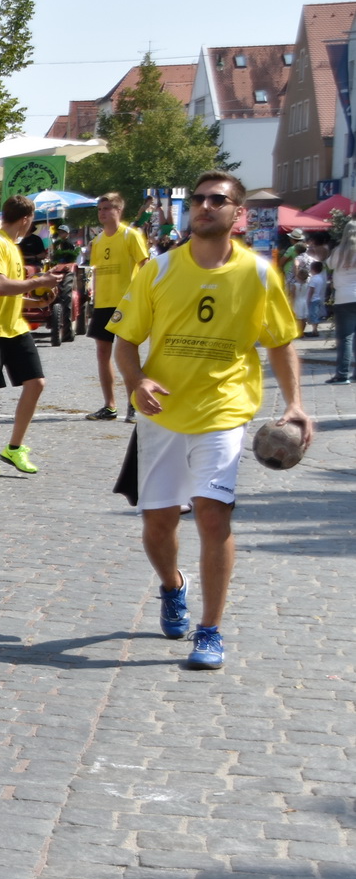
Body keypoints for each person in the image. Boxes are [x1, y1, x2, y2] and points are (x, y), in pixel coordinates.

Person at [111, 170, 314, 670]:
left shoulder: (259, 274)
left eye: (217, 200)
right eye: (198, 199)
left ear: (237, 214)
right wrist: (136, 381)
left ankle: (211, 630)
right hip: (161, 412)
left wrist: (295, 404)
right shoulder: (157, 270)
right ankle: (172, 586)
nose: (204, 206)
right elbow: (125, 340)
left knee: (212, 514)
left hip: (224, 411)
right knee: (158, 523)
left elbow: (281, 343)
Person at [0, 194, 60, 477]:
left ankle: (14, 447)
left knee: (36, 383)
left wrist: (37, 302)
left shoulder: (12, 247)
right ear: (25, 219)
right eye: (31, 221)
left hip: (14, 327)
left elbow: (11, 294)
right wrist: (38, 281)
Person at [85, 193, 149, 421]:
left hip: (125, 304)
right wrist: (90, 288)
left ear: (118, 210)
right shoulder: (98, 241)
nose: (102, 213)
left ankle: (134, 405)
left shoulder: (130, 236)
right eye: (100, 209)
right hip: (103, 304)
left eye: (107, 208)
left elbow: (146, 266)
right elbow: (94, 270)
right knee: (102, 355)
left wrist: (143, 295)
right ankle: (109, 406)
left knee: (126, 355)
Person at [328, 222, 356, 385]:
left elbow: (329, 265)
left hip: (343, 298)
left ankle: (342, 374)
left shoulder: (338, 252)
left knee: (345, 337)